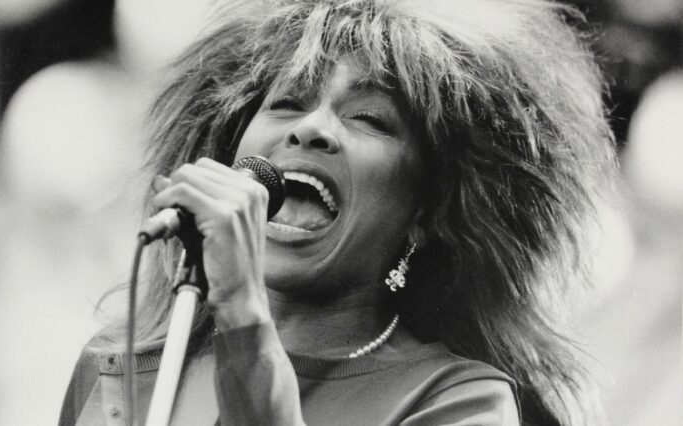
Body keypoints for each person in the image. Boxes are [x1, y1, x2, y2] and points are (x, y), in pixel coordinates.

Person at [59, 0, 616, 424]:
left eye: (369, 118)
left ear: (426, 212)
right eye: (287, 103)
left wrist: (242, 312)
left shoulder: (458, 400)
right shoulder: (122, 365)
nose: (312, 128)